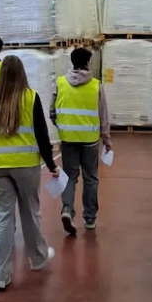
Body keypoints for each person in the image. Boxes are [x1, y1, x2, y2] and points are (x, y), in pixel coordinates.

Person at [0, 55, 57, 291]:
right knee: (30, 210)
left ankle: (0, 275)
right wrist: (52, 165)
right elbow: (42, 135)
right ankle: (37, 258)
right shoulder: (30, 97)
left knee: (3, 217)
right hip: (25, 165)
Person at [50, 46, 111, 236]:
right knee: (91, 178)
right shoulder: (95, 85)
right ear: (87, 62)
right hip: (90, 140)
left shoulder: (60, 83)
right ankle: (90, 219)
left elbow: (52, 112)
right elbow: (103, 115)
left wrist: (63, 126)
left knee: (68, 176)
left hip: (68, 138)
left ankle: (67, 209)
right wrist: (107, 139)